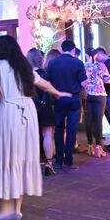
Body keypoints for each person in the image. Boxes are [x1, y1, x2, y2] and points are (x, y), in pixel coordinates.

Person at [0, 35, 70, 220]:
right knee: (22, 156)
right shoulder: (24, 67)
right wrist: (58, 93)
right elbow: (44, 85)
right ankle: (17, 209)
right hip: (28, 113)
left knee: (7, 156)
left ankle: (6, 210)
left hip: (10, 111)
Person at [45, 40, 87, 170]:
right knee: (71, 129)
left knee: (58, 129)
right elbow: (84, 83)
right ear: (73, 50)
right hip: (74, 98)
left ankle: (58, 161)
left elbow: (47, 81)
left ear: (62, 49)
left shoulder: (53, 63)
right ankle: (68, 160)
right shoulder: (78, 62)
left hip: (58, 98)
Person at [27, 48, 55, 175]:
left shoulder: (25, 75)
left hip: (29, 107)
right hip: (45, 107)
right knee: (48, 135)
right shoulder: (45, 74)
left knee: (30, 136)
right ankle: (49, 164)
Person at [84, 49, 110, 158]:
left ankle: (90, 145)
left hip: (87, 95)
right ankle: (98, 147)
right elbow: (108, 79)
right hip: (100, 94)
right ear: (95, 55)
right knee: (98, 121)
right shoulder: (101, 65)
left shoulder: (83, 66)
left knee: (89, 120)